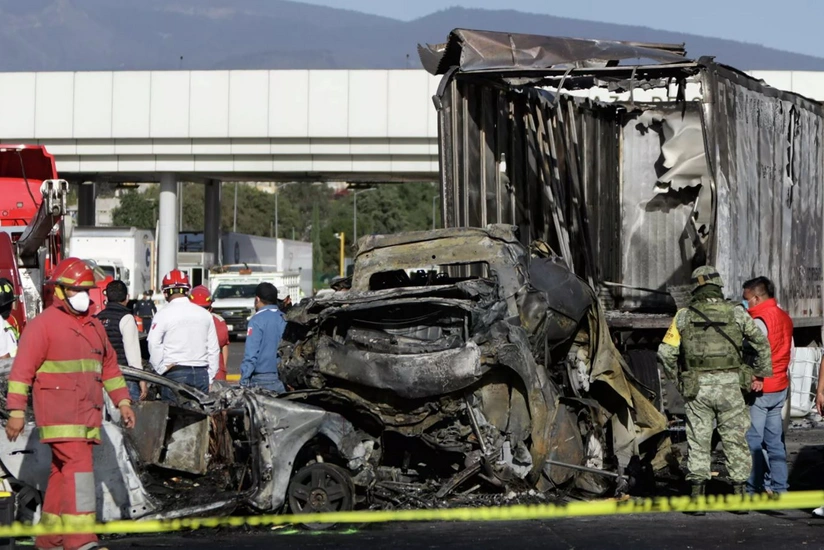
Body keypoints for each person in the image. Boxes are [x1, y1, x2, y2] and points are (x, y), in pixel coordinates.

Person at [5, 257, 136, 550]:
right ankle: (80, 541)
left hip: (85, 416)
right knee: (79, 471)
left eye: (87, 289)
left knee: (62, 475)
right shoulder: (44, 326)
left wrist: (123, 402)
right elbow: (21, 370)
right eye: (77, 290)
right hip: (60, 417)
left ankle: (50, 540)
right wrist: (15, 410)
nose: (84, 296)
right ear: (60, 291)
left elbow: (110, 367)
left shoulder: (93, 326)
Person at [657, 265, 772, 505]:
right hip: (731, 386)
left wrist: (678, 380)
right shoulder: (737, 312)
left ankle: (697, 496)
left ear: (696, 287)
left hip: (698, 387)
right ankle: (740, 496)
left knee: (699, 439)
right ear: (718, 286)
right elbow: (762, 344)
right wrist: (758, 374)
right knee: (734, 440)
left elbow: (665, 353)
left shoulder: (684, 316)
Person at [741, 276, 793, 496]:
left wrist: (754, 376)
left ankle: (754, 488)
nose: (745, 304)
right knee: (774, 442)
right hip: (780, 385)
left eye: (746, 300)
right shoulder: (784, 316)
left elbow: (758, 353)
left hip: (761, 388)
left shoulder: (760, 321)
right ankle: (780, 488)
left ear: (756, 297)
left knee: (752, 440)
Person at [148, 270, 219, 400]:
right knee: (199, 417)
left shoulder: (163, 314)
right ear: (187, 290)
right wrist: (210, 377)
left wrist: (160, 368)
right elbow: (214, 349)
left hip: (174, 373)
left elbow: (153, 343)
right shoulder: (205, 314)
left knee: (174, 417)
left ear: (165, 292)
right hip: (201, 373)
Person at [96, 280, 147, 403]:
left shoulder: (97, 318)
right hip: (124, 378)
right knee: (128, 418)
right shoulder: (126, 318)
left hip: (101, 378)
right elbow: (132, 354)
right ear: (127, 297)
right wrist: (142, 380)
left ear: (107, 297)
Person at [239, 282, 287, 392]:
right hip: (282, 378)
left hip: (261, 379)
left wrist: (244, 380)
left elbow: (251, 354)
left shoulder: (256, 320)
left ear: (257, 299)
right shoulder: (284, 318)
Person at [189, 285, 231, 381]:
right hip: (215, 374)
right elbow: (223, 346)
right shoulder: (219, 322)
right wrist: (222, 368)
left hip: (192, 374)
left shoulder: (181, 321)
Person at [0, 278, 18, 359]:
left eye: (9, 305)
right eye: (4, 307)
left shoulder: (12, 321)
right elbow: (4, 357)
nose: (8, 309)